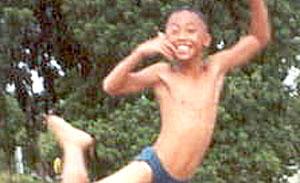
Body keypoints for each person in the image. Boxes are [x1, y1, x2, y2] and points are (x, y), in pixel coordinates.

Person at [44, 0, 271, 182]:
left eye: (191, 31)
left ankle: (74, 145)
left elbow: (258, 38)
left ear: (206, 39)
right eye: (174, 31)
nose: (182, 36)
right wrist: (139, 54)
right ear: (164, 38)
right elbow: (111, 86)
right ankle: (74, 143)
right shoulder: (162, 73)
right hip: (154, 166)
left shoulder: (215, 68)